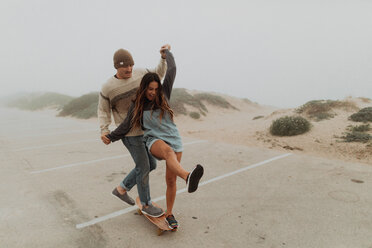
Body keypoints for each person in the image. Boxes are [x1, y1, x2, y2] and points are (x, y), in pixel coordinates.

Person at [103, 48, 204, 229]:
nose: (153, 92)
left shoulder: (164, 94)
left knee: (170, 181)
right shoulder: (138, 104)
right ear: (144, 88)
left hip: (174, 139)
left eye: (156, 89)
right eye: (150, 89)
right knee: (166, 151)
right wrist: (110, 136)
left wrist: (167, 55)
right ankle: (187, 176)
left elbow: (172, 70)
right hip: (153, 140)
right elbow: (126, 125)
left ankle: (170, 214)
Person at [98, 45, 169, 217]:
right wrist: (104, 130)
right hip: (128, 133)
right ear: (117, 67)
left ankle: (121, 189)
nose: (129, 69)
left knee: (151, 164)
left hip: (144, 129)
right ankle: (146, 204)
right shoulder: (108, 87)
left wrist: (163, 58)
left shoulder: (139, 73)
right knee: (143, 166)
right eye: (125, 67)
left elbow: (158, 75)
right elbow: (103, 110)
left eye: (131, 65)